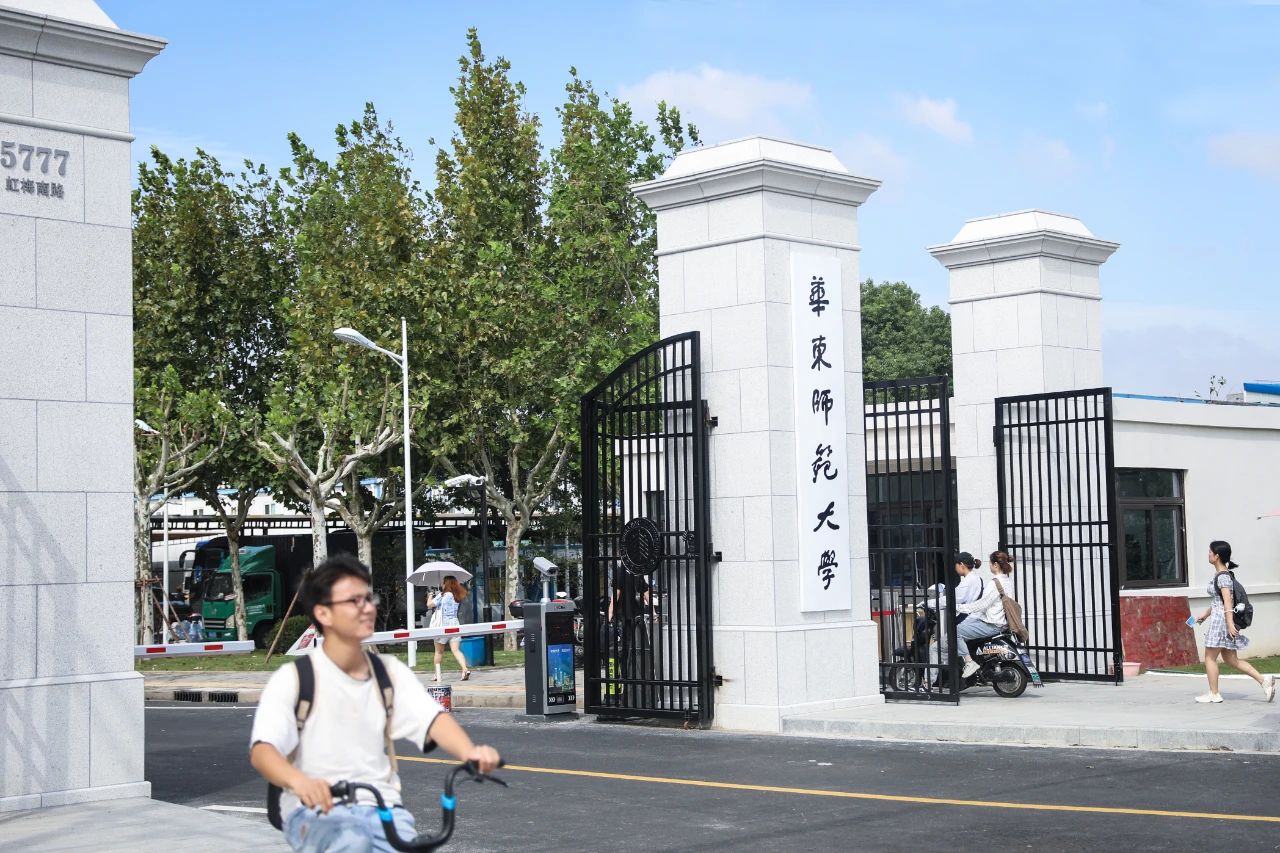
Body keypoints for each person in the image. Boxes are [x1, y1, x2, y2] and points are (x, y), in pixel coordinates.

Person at [249, 555, 500, 852]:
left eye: (368, 599)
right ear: (323, 613)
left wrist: (470, 752)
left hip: (383, 807)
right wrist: (299, 782)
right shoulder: (293, 680)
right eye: (354, 601)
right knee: (352, 843)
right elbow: (263, 751)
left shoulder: (388, 673)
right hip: (313, 811)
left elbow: (433, 719)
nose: (367, 608)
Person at [1193, 540, 1275, 704]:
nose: (1208, 554)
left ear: (1217, 556)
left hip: (1221, 623)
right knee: (1231, 660)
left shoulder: (1223, 577)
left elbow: (1228, 602)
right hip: (1221, 620)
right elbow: (1219, 602)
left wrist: (1230, 624)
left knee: (1209, 657)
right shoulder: (1222, 575)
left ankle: (1214, 693)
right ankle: (1264, 681)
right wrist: (1206, 614)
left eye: (1210, 552)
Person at [955, 551, 1017, 679]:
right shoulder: (1007, 580)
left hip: (993, 624)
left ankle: (969, 662)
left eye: (990, 563)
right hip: (1002, 623)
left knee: (957, 631)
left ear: (995, 565)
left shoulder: (995, 583)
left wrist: (959, 607)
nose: (989, 566)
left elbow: (982, 604)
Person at [426, 576, 471, 683]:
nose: (442, 585)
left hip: (442, 626)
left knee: (439, 652)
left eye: (443, 583)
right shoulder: (457, 596)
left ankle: (437, 674)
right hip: (454, 625)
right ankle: (465, 669)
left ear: (446, 584)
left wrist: (430, 595)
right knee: (456, 650)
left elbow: (429, 605)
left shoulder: (442, 595)